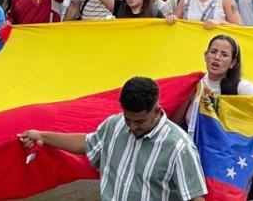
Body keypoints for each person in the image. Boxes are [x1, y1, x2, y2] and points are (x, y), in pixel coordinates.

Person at [19, 76, 208, 201]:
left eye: (140, 121)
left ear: (157, 111)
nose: (132, 127)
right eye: (128, 119)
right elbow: (85, 143)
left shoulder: (179, 146)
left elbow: (195, 197)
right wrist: (41, 135)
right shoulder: (114, 125)